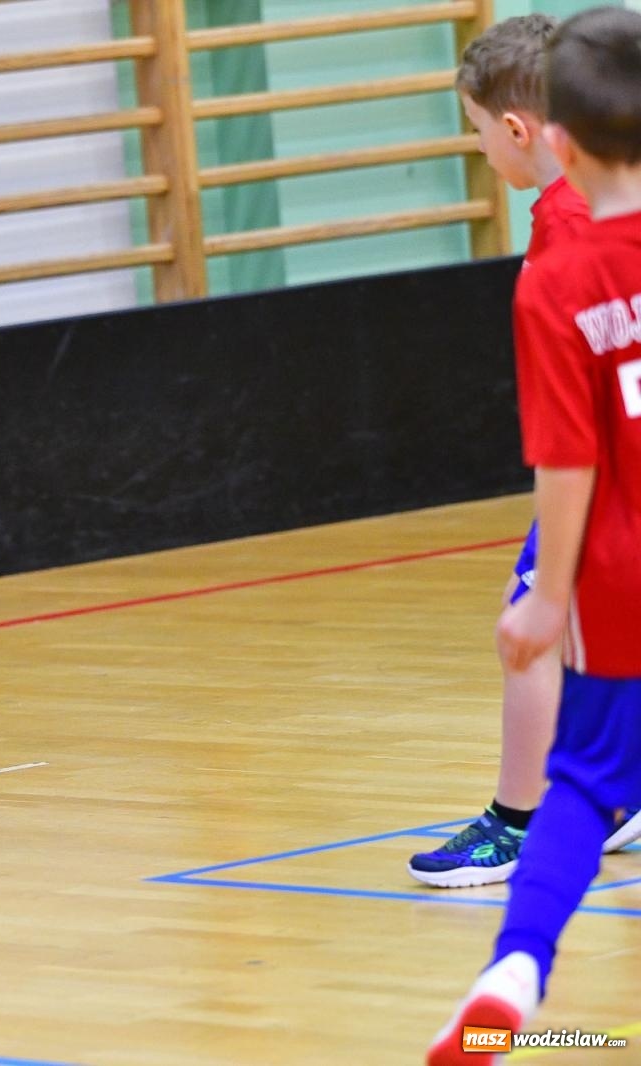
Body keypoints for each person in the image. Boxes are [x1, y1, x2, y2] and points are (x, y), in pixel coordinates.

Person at [427, 7, 641, 1060]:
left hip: (615, 546)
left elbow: (568, 455)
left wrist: (546, 591)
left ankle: (513, 965)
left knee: (585, 781)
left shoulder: (559, 270)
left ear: (547, 136)